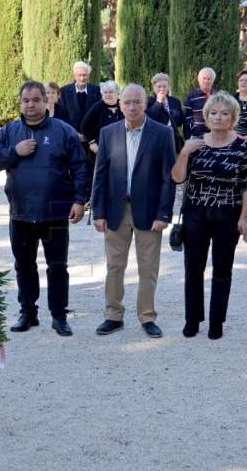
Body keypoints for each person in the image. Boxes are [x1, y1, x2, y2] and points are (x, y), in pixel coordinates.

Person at [0, 80, 92, 337]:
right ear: (20, 102)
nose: (30, 105)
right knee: (24, 265)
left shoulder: (63, 131)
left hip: (55, 211)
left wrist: (80, 201)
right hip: (21, 211)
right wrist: (15, 151)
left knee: (58, 265)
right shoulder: (9, 132)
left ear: (46, 101)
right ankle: (28, 313)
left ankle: (59, 315)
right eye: (26, 101)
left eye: (36, 100)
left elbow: (80, 167)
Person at [92, 84, 176, 338]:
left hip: (149, 212)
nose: (131, 107)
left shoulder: (162, 134)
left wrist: (164, 215)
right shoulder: (108, 133)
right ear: (119, 105)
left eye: (136, 102)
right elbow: (101, 175)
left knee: (148, 267)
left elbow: (168, 178)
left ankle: (147, 317)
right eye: (126, 102)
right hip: (115, 209)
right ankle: (113, 315)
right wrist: (98, 212)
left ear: (146, 104)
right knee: (114, 267)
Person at [171, 92, 247, 340]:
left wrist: (244, 218)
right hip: (196, 216)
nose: (219, 117)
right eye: (214, 113)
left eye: (224, 113)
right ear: (207, 116)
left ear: (232, 117)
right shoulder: (196, 143)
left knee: (222, 270)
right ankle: (192, 320)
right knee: (193, 269)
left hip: (227, 218)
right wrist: (184, 152)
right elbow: (177, 178)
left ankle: (216, 322)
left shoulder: (241, 147)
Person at [81, 80, 123, 167]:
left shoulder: (123, 105)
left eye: (111, 92)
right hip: (101, 150)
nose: (107, 94)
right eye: (105, 92)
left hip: (121, 150)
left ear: (117, 93)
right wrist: (92, 142)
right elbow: (85, 126)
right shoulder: (97, 107)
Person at [59, 61, 101, 142]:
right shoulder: (64, 91)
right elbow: (62, 116)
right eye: (79, 75)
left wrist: (88, 135)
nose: (82, 78)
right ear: (74, 76)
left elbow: (98, 114)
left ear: (88, 76)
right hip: (71, 137)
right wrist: (75, 133)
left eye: (84, 75)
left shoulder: (96, 90)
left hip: (92, 139)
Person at [145, 73, 185, 154]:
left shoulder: (175, 101)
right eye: (159, 86)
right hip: (155, 140)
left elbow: (181, 120)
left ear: (168, 87)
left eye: (164, 86)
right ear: (154, 87)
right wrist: (158, 102)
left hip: (172, 140)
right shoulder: (148, 101)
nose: (162, 89)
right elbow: (148, 118)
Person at [184, 67, 218, 139]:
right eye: (204, 78)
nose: (206, 81)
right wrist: (196, 133)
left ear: (213, 80)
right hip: (197, 137)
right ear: (199, 79)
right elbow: (188, 118)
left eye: (209, 79)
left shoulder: (219, 96)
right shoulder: (191, 96)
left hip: (217, 136)